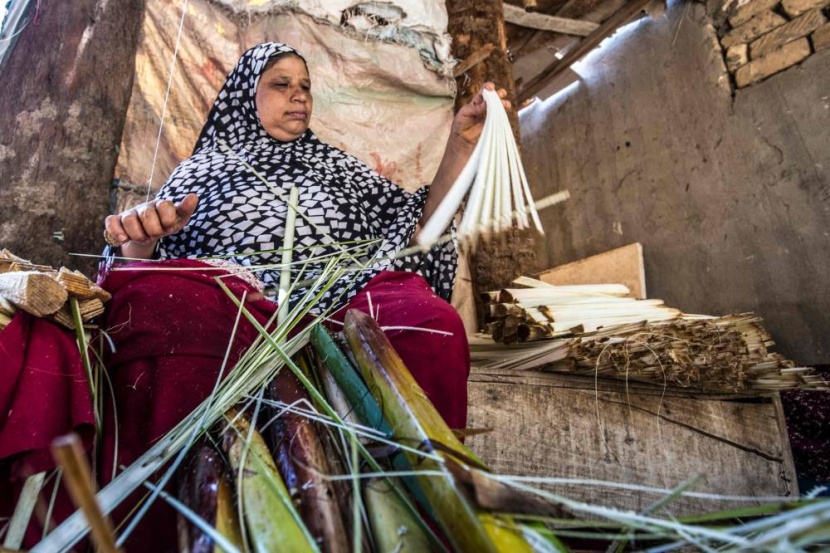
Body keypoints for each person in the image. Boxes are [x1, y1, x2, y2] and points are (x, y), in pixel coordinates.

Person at [100, 41, 509, 434]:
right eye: (281, 84)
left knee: (430, 321)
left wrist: (459, 144)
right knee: (159, 303)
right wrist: (140, 240)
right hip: (234, 309)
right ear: (247, 94)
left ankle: (428, 478)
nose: (298, 95)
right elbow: (146, 263)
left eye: (305, 86)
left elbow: (419, 232)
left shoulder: (339, 169)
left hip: (344, 306)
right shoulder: (201, 170)